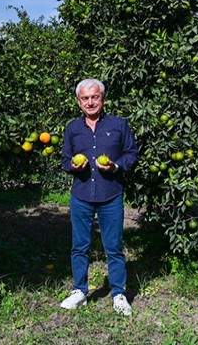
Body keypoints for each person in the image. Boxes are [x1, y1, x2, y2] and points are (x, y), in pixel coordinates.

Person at [60, 78, 139, 316]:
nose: (90, 102)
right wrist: (74, 166)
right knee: (79, 246)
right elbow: (65, 161)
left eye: (95, 97)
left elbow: (132, 154)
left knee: (113, 247)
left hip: (110, 194)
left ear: (103, 99)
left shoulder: (119, 125)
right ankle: (80, 292)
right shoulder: (73, 128)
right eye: (85, 98)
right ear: (79, 102)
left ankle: (118, 293)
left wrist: (115, 166)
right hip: (81, 195)